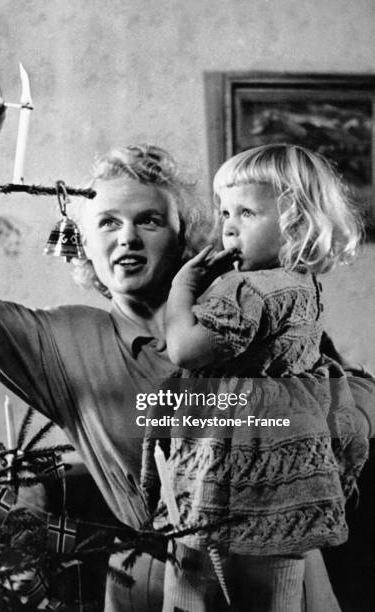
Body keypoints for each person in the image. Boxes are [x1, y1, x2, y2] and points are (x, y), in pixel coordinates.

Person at [0, 69, 371, 611]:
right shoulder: (64, 340)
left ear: (185, 235)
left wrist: (322, 415)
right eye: (106, 223)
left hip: (286, 566)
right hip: (161, 578)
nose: (127, 236)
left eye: (149, 219)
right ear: (82, 242)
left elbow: (346, 388)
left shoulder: (244, 305)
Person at [141, 144, 368, 612]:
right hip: (276, 462)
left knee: (197, 577)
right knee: (275, 582)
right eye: (225, 211)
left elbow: (184, 348)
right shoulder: (300, 284)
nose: (227, 225)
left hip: (235, 455)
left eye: (246, 212)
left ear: (298, 224)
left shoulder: (254, 289)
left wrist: (181, 289)